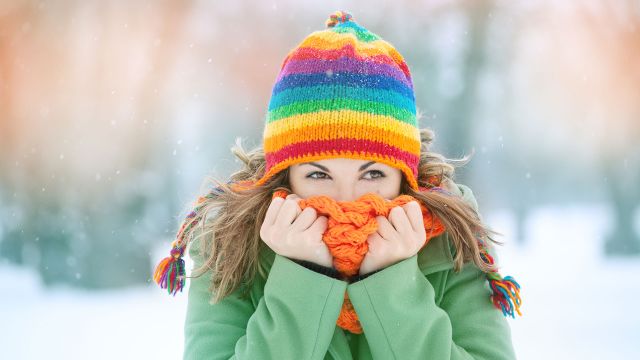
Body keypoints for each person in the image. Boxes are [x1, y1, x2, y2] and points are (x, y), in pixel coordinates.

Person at [154, 10, 521, 359]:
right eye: (318, 175)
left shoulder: (452, 237)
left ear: (404, 178)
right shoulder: (229, 243)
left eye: (373, 174)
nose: (347, 200)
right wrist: (303, 276)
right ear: (285, 175)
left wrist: (392, 284)